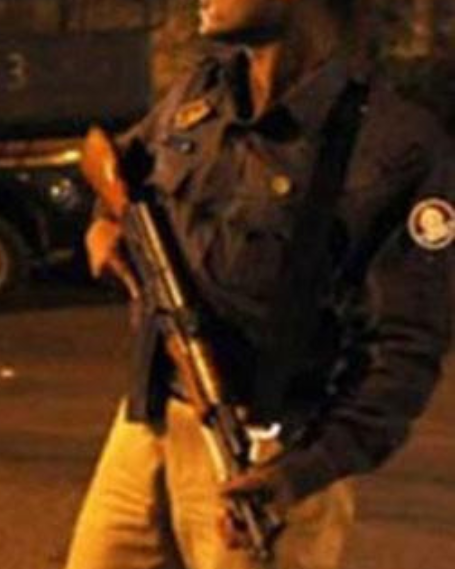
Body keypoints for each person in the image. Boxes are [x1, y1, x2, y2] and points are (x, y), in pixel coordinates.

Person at [68, 0, 453, 567]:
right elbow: (117, 165)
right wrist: (104, 224)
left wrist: (299, 475)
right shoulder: (202, 92)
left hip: (266, 461)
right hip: (147, 425)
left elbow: (404, 353)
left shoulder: (394, 146)